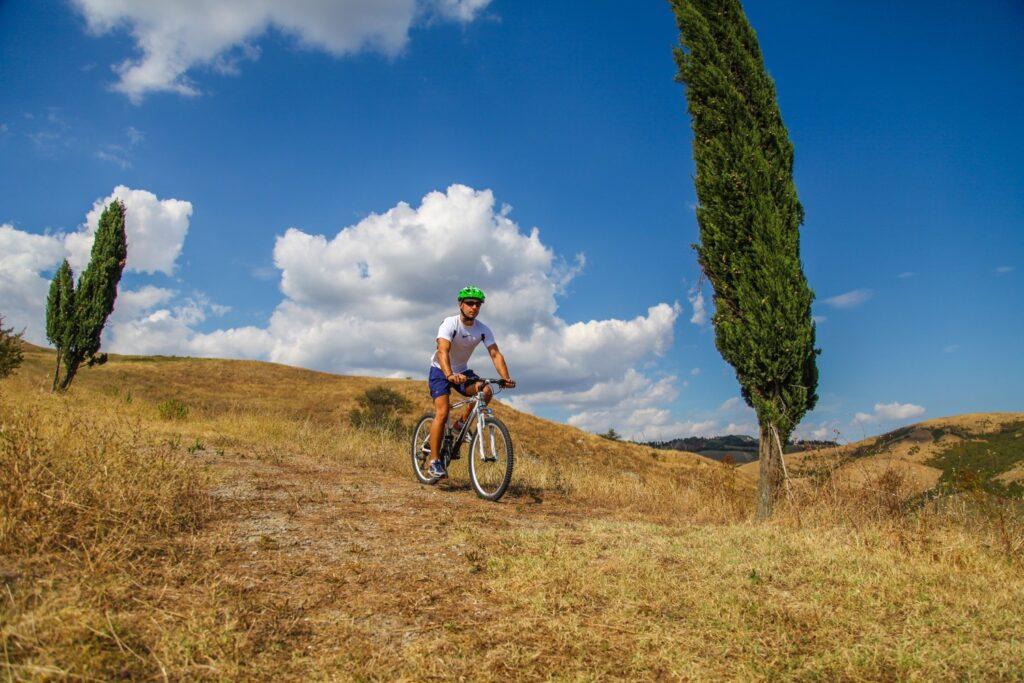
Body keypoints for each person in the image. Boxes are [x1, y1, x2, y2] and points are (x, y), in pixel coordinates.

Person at [426, 285, 515, 479]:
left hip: (463, 372)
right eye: (469, 303)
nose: (473, 307)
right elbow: (443, 351)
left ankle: (460, 426)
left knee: (486, 391)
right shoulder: (450, 323)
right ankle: (434, 461)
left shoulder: (482, 329)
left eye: (477, 304)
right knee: (442, 412)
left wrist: (506, 378)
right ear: (461, 304)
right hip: (440, 370)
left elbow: (495, 354)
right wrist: (449, 374)